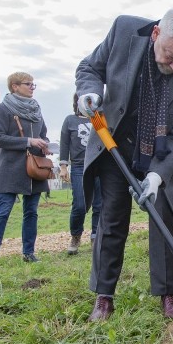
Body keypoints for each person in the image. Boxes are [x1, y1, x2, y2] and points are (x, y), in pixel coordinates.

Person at [75, 9, 173, 322]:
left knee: (165, 218)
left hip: (162, 152)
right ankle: (103, 296)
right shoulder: (125, 30)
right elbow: (90, 67)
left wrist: (156, 176)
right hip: (117, 143)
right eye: (170, 55)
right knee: (112, 218)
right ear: (156, 35)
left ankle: (169, 294)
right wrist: (89, 92)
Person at [0, 73, 51, 270]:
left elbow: (42, 133)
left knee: (31, 212)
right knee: (2, 212)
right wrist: (27, 142)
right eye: (28, 84)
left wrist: (44, 144)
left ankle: (29, 253)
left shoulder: (36, 109)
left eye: (33, 84)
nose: (32, 87)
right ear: (14, 86)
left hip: (34, 168)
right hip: (11, 168)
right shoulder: (3, 109)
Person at [59, 94, 103, 255]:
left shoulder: (97, 119)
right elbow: (64, 143)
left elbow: (105, 139)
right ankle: (76, 236)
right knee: (79, 204)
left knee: (99, 204)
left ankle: (95, 237)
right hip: (78, 166)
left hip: (99, 165)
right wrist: (63, 166)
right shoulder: (70, 120)